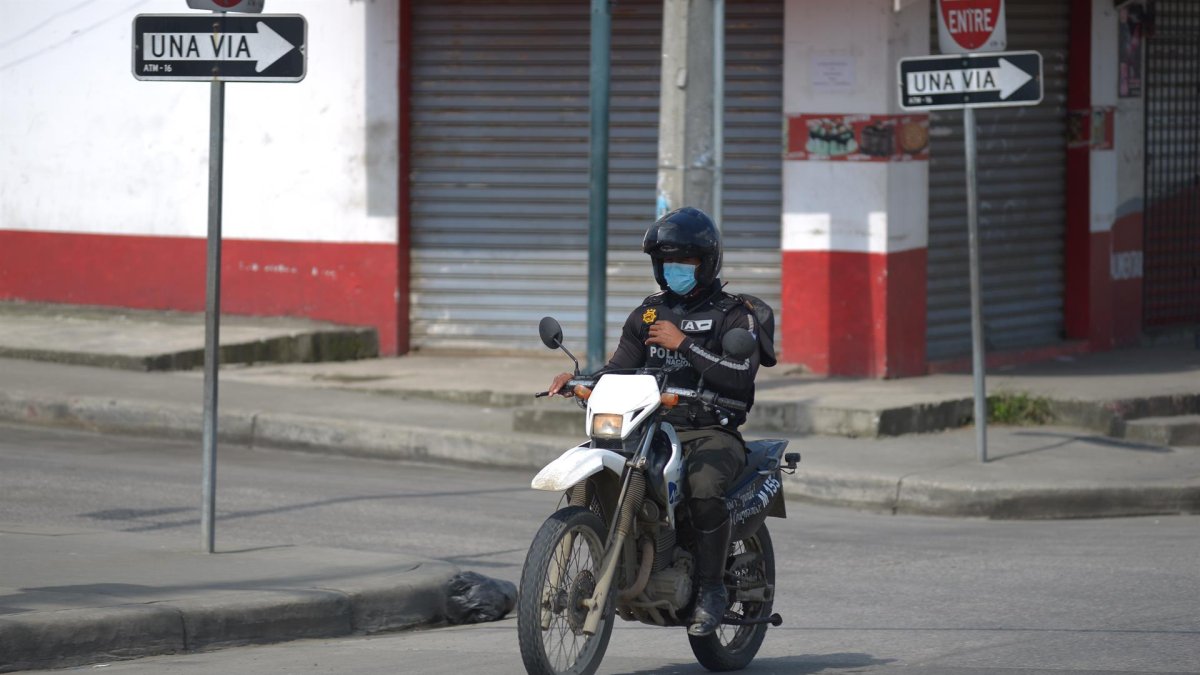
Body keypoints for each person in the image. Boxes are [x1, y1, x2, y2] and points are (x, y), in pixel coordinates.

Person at [546, 206, 773, 637]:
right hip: (649, 426)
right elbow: (620, 368)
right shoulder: (648, 314)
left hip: (709, 430)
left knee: (704, 489)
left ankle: (711, 590)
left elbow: (739, 379)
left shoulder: (733, 314)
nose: (675, 271)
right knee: (602, 461)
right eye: (667, 263)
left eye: (684, 262)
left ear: (706, 263)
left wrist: (684, 343)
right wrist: (580, 380)